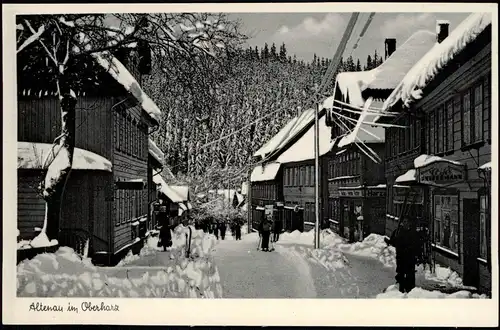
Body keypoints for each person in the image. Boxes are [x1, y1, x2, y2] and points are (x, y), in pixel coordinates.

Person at [385, 217, 418, 293]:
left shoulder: (412, 233)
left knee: (410, 275)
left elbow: (416, 245)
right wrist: (389, 241)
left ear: (409, 223)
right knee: (401, 274)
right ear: (402, 223)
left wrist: (415, 254)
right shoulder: (398, 232)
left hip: (410, 258)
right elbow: (393, 241)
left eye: (407, 221)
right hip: (401, 258)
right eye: (404, 221)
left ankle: (410, 291)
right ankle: (401, 291)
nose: (406, 223)